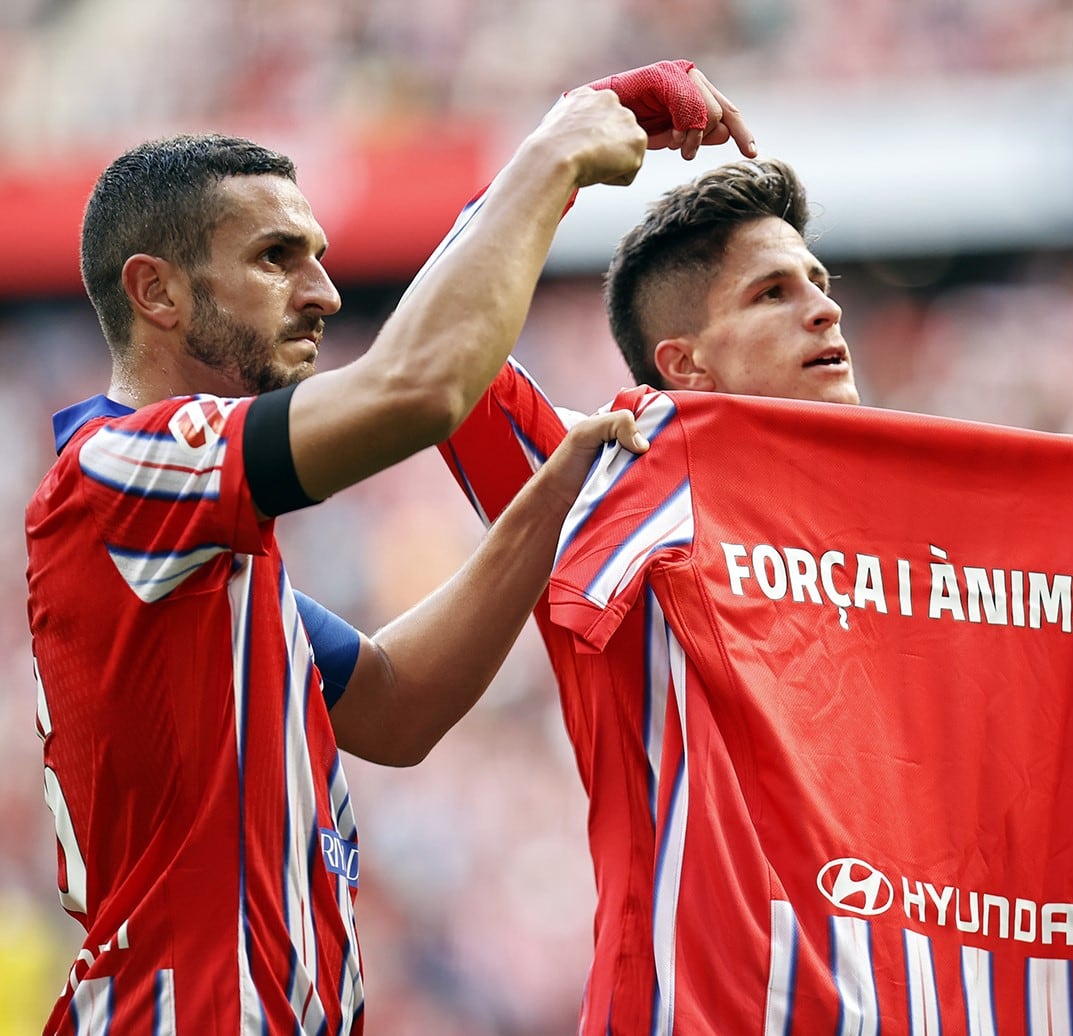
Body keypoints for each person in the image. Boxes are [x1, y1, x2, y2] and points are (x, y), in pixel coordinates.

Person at [426, 140, 1073, 1029]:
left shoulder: (967, 534)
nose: (824, 310)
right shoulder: (613, 486)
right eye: (772, 293)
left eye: (820, 283)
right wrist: (566, 148)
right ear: (685, 364)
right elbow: (444, 354)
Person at [24, 62, 754, 1035]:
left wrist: (554, 493)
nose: (323, 293)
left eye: (320, 256)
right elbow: (421, 387)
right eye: (278, 257)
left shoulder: (196, 547)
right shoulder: (118, 471)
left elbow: (399, 706)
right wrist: (553, 157)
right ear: (155, 292)